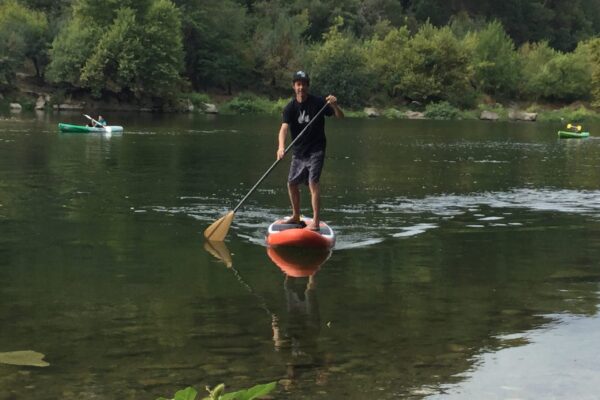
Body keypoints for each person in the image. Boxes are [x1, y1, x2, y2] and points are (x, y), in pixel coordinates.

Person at [276, 71, 344, 231]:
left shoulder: (319, 103)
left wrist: (334, 105)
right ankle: (295, 216)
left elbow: (340, 117)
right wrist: (280, 146)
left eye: (304, 84)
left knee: (313, 182)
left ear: (307, 86)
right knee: (291, 183)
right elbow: (283, 128)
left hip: (316, 149)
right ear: (294, 87)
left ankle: (315, 221)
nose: (301, 87)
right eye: (298, 84)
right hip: (299, 152)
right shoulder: (290, 107)